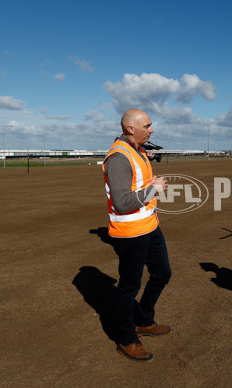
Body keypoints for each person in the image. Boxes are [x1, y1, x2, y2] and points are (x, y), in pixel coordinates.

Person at [102, 109, 172, 362]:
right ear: (130, 129)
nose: (151, 129)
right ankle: (126, 338)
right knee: (129, 286)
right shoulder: (119, 157)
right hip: (130, 232)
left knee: (163, 274)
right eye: (147, 125)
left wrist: (152, 186)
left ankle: (143, 319)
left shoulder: (139, 150)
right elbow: (121, 203)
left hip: (150, 226)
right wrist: (152, 190)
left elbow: (138, 186)